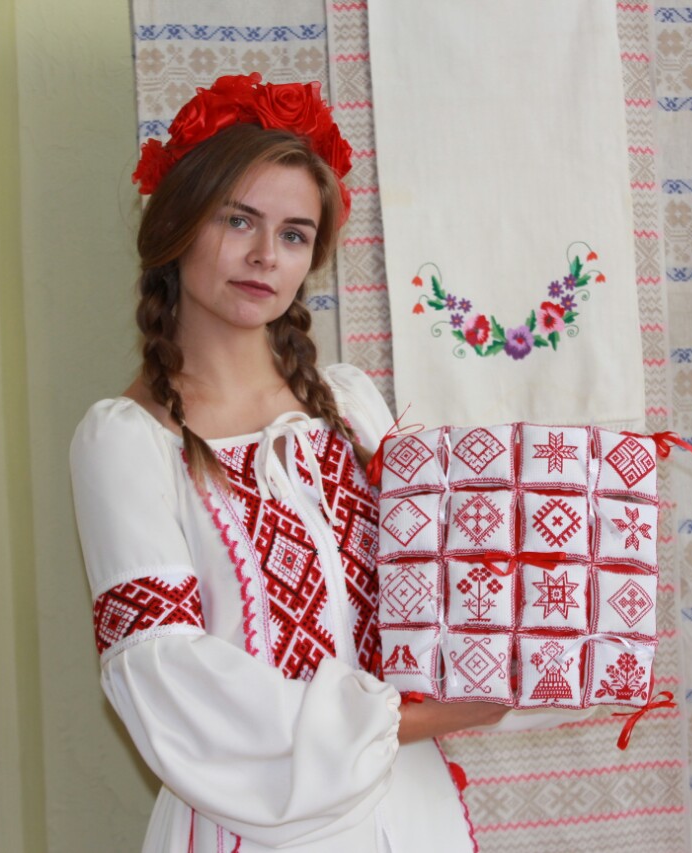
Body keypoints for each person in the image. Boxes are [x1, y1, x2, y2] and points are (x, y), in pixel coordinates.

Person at [69, 74, 514, 853]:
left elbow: (429, 591)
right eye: (237, 219)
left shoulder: (351, 406)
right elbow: (166, 678)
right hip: (254, 827)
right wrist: (411, 718)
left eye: (295, 234)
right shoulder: (127, 441)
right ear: (178, 224)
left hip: (413, 816)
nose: (264, 255)